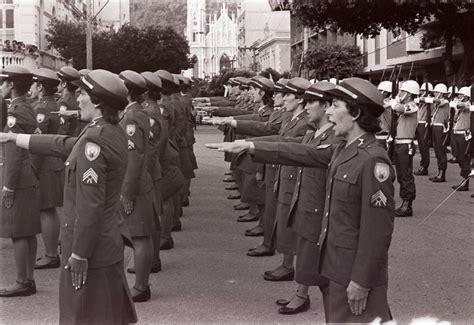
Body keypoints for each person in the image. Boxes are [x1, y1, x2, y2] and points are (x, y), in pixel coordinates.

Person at [0, 69, 138, 324]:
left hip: (90, 249)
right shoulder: (108, 130)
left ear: (97, 102)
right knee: (105, 315)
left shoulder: (93, 142)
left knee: (82, 317)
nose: (77, 99)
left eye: (83, 93)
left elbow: (90, 206)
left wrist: (80, 254)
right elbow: (63, 144)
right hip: (106, 244)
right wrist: (15, 137)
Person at [0, 65, 40, 297]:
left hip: (17, 176)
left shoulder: (15, 111)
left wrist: (8, 185)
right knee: (28, 231)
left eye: (4, 82)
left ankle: (22, 280)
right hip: (28, 174)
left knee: (18, 232)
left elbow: (14, 152)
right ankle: (28, 279)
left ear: (12, 85)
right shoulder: (27, 107)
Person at [119, 70, 156, 303]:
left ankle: (141, 287)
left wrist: (127, 192)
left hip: (135, 184)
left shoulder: (132, 117)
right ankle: (141, 285)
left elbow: (133, 158)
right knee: (139, 235)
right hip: (140, 181)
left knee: (140, 236)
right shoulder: (135, 113)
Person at [29, 68, 65, 269]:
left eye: (35, 85)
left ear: (41, 86)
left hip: (44, 165)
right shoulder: (55, 105)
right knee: (49, 209)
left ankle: (51, 254)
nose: (32, 88)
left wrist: (32, 168)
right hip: (54, 163)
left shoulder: (41, 109)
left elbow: (38, 142)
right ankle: (52, 252)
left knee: (46, 209)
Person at [391, 80, 419, 217]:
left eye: (402, 91)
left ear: (409, 94)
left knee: (406, 175)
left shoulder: (412, 105)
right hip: (399, 143)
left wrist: (394, 102)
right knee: (401, 175)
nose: (400, 93)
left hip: (405, 144)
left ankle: (407, 204)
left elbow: (398, 109)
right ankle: (404, 202)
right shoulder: (405, 104)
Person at [451, 86, 471, 191]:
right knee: (459, 157)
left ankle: (465, 182)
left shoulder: (468, 104)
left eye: (462, 95)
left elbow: (460, 105)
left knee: (464, 158)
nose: (459, 96)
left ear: (467, 96)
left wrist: (456, 102)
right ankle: (464, 179)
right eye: (459, 94)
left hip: (463, 134)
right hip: (457, 133)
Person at [429, 83, 450, 183]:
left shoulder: (445, 101)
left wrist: (426, 99)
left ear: (442, 93)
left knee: (440, 151)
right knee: (437, 150)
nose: (435, 93)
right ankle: (439, 172)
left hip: (440, 127)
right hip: (435, 126)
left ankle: (442, 174)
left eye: (437, 92)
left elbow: (437, 101)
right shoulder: (437, 103)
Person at [414, 82, 434, 176]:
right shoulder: (423, 100)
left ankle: (424, 167)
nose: (421, 92)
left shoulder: (429, 99)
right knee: (421, 147)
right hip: (418, 123)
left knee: (424, 146)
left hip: (424, 124)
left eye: (423, 90)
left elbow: (421, 99)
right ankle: (423, 166)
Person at [56, 66, 82, 136]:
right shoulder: (79, 101)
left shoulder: (64, 102)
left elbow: (62, 129)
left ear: (64, 84)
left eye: (58, 81)